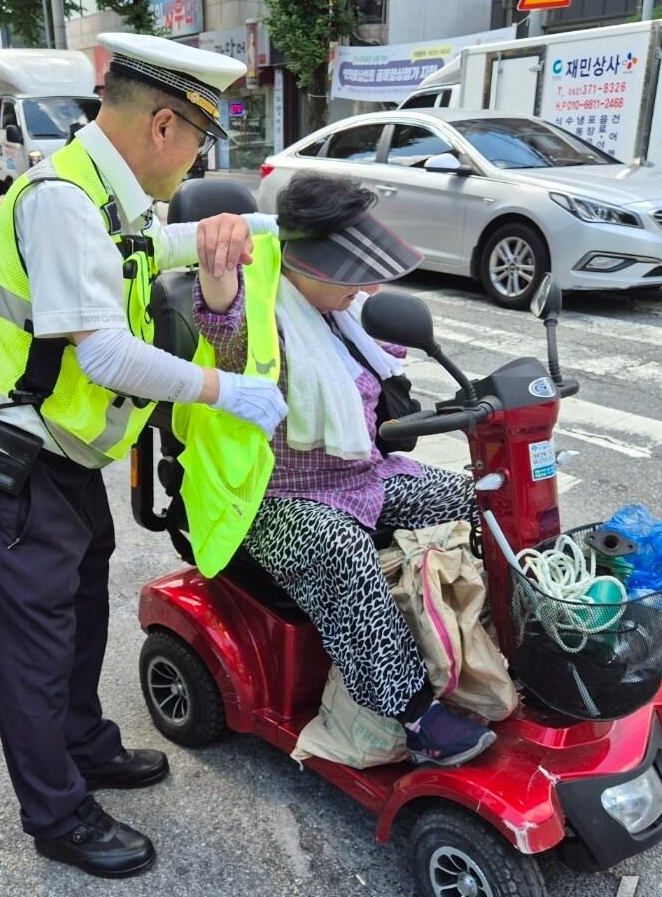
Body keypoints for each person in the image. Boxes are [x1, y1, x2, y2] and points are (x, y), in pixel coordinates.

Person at [0, 32, 288, 880]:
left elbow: (148, 253)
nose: (197, 160)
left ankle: (84, 744)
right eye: (200, 143)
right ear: (165, 125)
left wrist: (259, 227)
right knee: (32, 644)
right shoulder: (63, 198)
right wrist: (224, 392)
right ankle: (57, 814)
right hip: (12, 464)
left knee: (79, 616)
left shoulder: (111, 190)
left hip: (60, 464)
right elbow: (102, 354)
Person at [190, 171, 496, 767]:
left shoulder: (344, 313)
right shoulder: (255, 308)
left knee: (479, 500)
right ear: (310, 265)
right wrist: (216, 266)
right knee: (339, 548)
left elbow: (387, 366)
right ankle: (412, 711)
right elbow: (221, 324)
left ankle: (484, 645)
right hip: (270, 498)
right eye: (353, 272)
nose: (367, 285)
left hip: (364, 478)